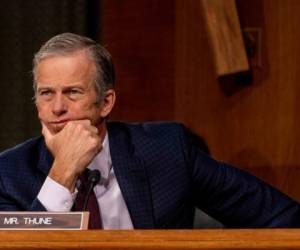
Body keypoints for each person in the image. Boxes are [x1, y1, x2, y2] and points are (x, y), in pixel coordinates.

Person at [0, 33, 299, 229]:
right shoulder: (9, 173)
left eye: (73, 92)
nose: (57, 108)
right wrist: (62, 175)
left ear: (106, 103)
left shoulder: (166, 150)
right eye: (46, 93)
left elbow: (280, 215)